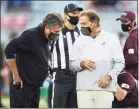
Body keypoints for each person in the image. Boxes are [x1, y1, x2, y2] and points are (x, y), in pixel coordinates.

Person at [4, 13, 64, 108]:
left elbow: (38, 56)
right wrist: (16, 75)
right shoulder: (30, 35)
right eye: (55, 31)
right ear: (46, 27)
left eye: (58, 32)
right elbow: (8, 49)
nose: (57, 34)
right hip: (23, 85)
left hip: (35, 86)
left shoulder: (46, 37)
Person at [69, 9, 125, 108]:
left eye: (84, 23)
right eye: (80, 24)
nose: (81, 27)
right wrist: (82, 64)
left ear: (94, 23)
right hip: (84, 89)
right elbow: (72, 65)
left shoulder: (111, 39)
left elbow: (120, 62)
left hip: (104, 88)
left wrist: (109, 77)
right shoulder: (78, 40)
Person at [49, 3, 83, 108]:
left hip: (78, 78)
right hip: (61, 76)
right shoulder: (56, 32)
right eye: (73, 13)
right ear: (65, 15)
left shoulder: (81, 33)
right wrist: (49, 69)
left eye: (78, 13)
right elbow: (45, 51)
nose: (76, 15)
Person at [116, 10, 138, 80]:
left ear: (133, 22)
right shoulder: (136, 34)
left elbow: (133, 59)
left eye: (125, 22)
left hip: (133, 76)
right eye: (121, 22)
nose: (122, 24)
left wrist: (119, 61)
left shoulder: (132, 37)